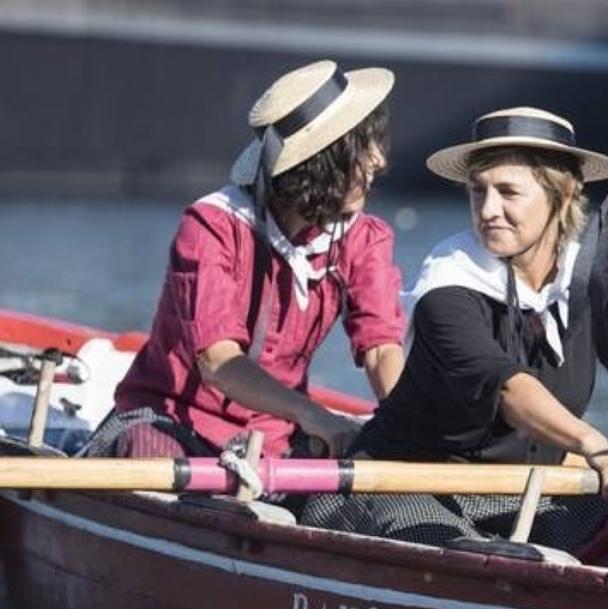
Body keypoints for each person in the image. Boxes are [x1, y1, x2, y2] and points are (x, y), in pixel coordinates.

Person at [300, 107, 608, 551]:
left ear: (561, 197)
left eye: (508, 192)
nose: (488, 210)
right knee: (458, 546)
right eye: (477, 191)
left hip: (519, 491)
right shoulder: (446, 288)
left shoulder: (606, 277)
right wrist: (594, 445)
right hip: (399, 484)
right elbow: (506, 388)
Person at [86, 60, 406, 461]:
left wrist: (409, 431)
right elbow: (219, 363)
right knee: (151, 453)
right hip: (174, 423)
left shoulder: (364, 237)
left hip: (278, 438)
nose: (378, 160)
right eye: (362, 144)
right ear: (320, 163)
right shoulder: (212, 227)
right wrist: (313, 414)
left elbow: (380, 349)